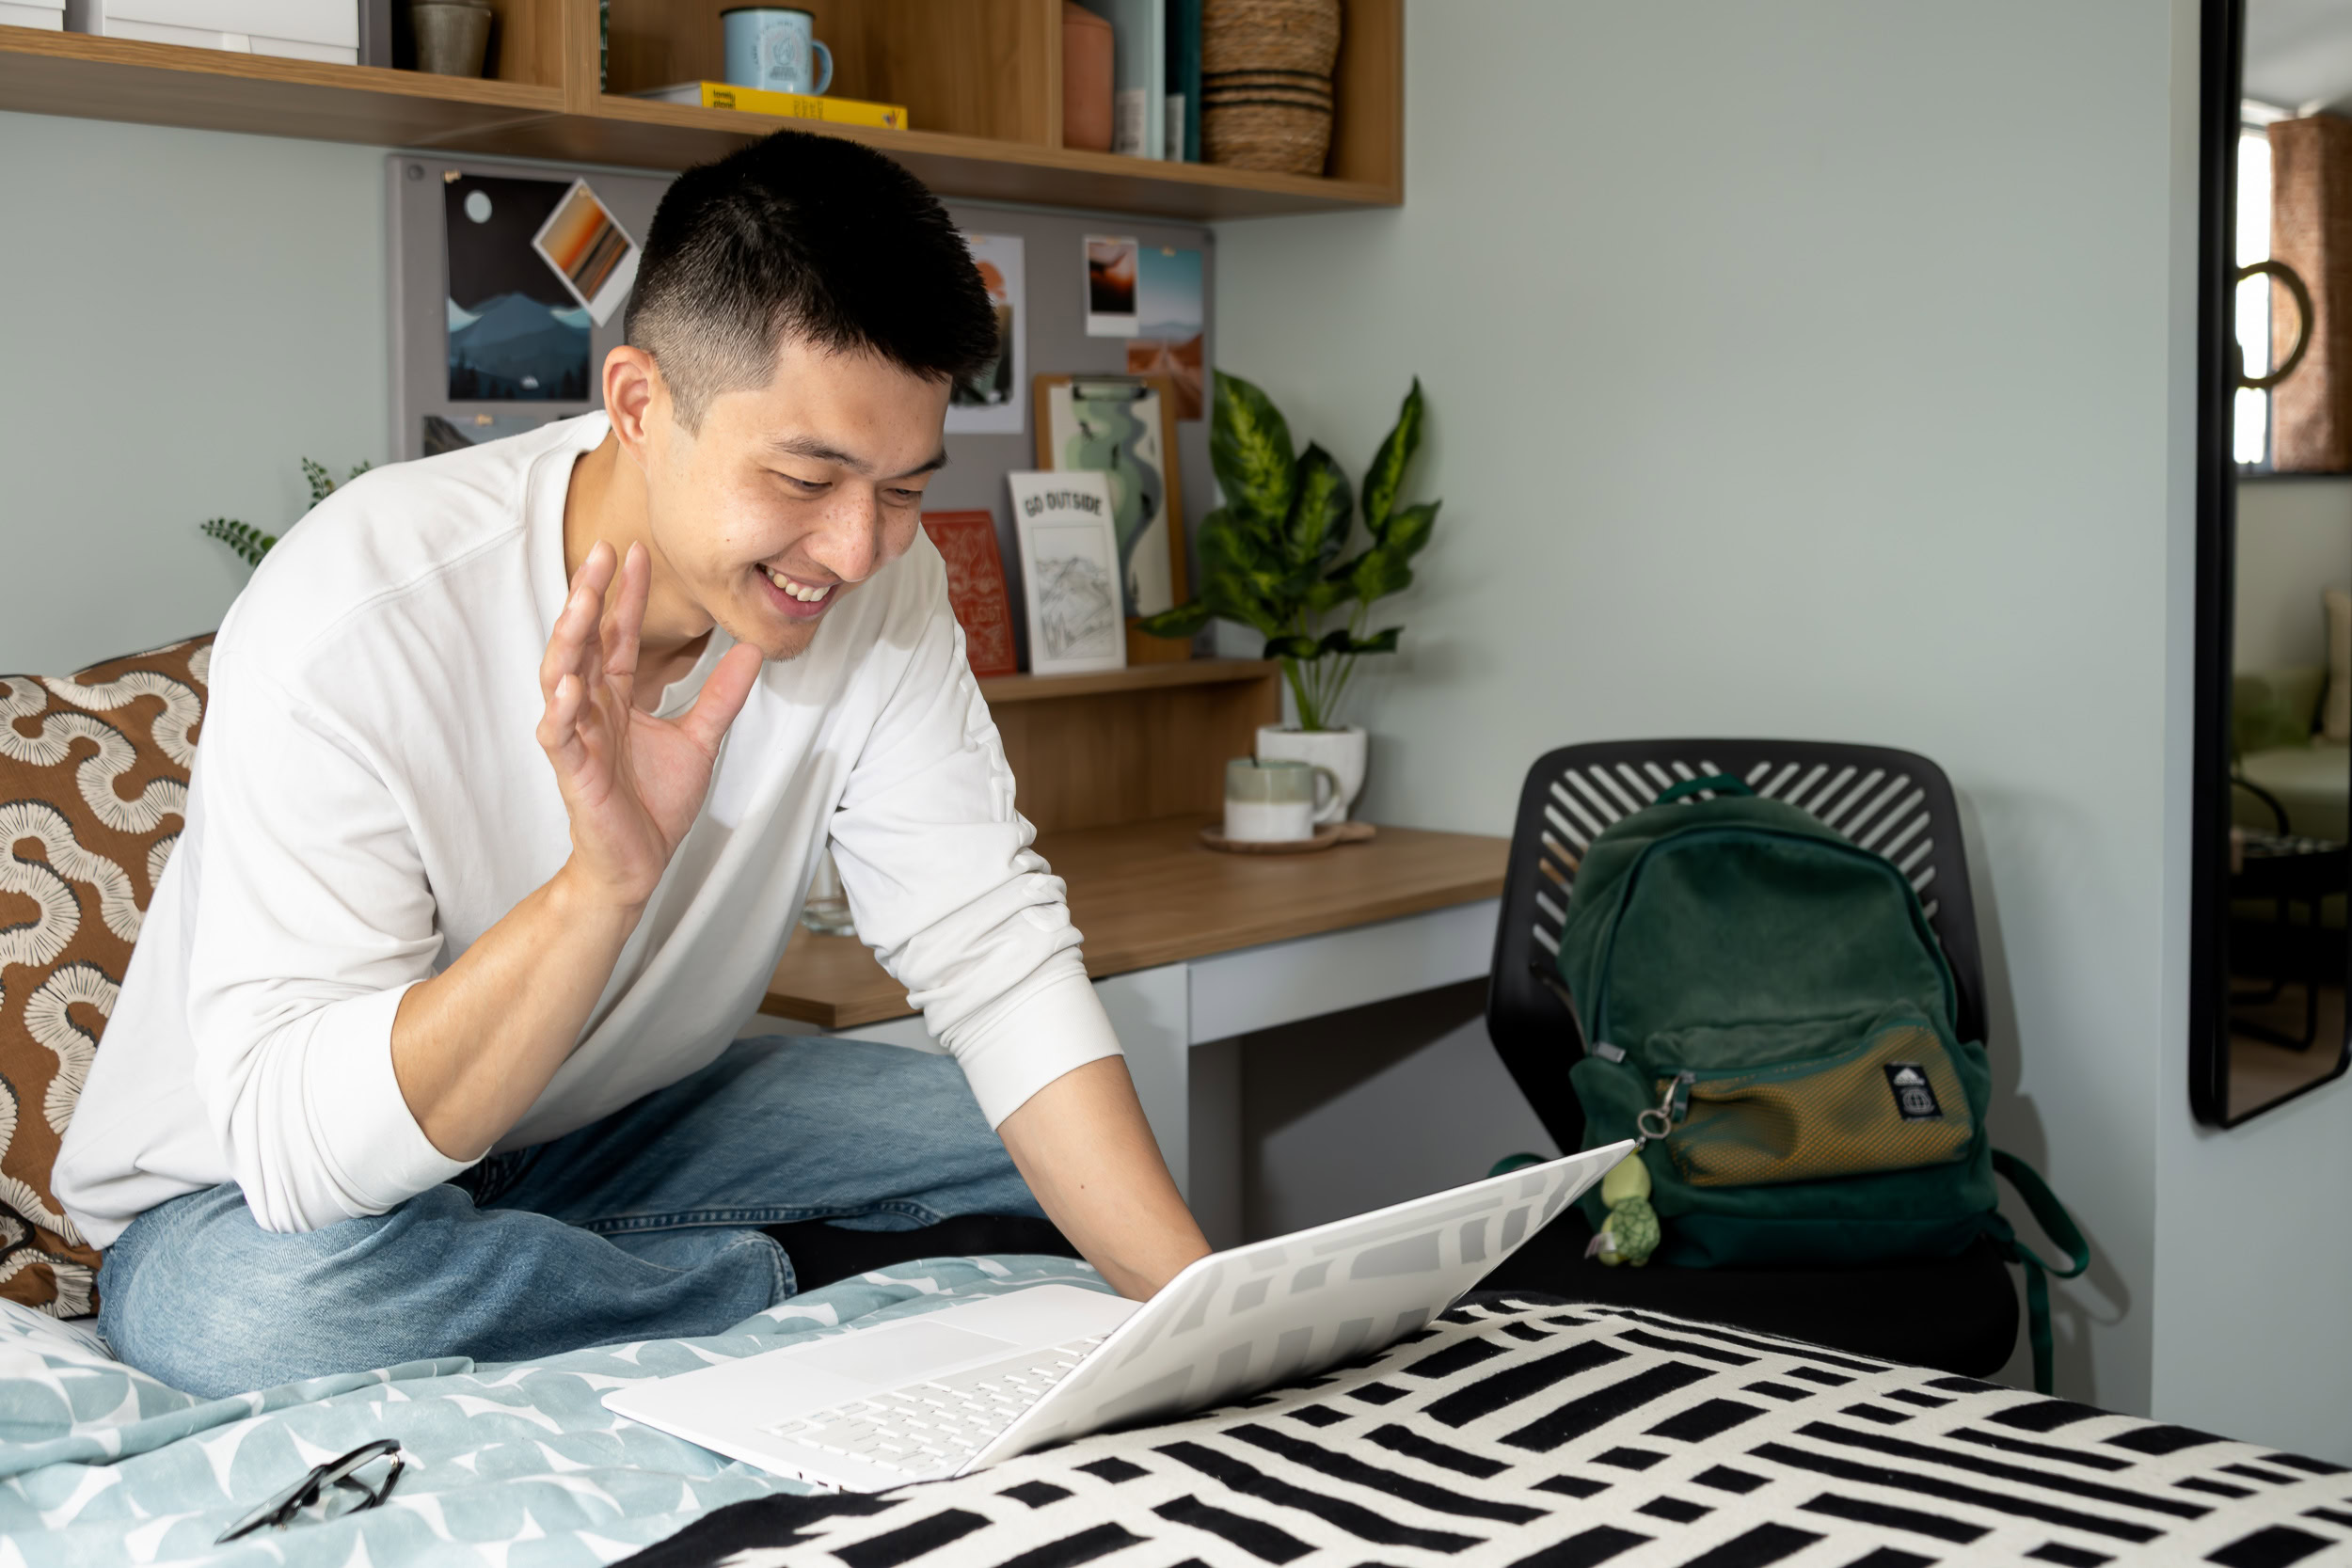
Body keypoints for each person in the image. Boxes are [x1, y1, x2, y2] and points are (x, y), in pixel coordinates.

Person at [54, 129, 1211, 1399]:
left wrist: (1203, 1320)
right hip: (249, 1198)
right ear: (639, 403)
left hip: (604, 1128)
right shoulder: (360, 607)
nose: (858, 548)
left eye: (901, 490)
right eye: (808, 478)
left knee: (1024, 1145)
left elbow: (990, 948)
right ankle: (754, 1287)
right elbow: (303, 1154)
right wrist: (598, 891)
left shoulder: (882, 589)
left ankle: (574, 1278)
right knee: (251, 1323)